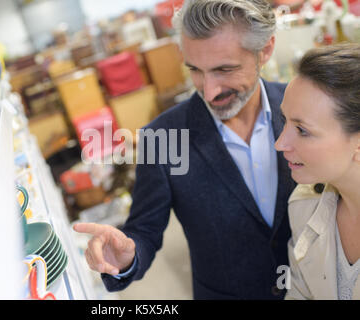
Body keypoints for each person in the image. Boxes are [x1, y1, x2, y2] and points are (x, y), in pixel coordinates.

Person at [73, 0, 296, 299]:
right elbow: (144, 230)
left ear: (265, 50)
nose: (209, 90)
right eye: (195, 70)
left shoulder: (300, 110)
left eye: (224, 69)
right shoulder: (164, 138)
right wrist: (126, 257)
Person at [275, 43, 360, 300]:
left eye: (302, 130)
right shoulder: (303, 206)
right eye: (284, 121)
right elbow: (299, 292)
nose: (280, 144)